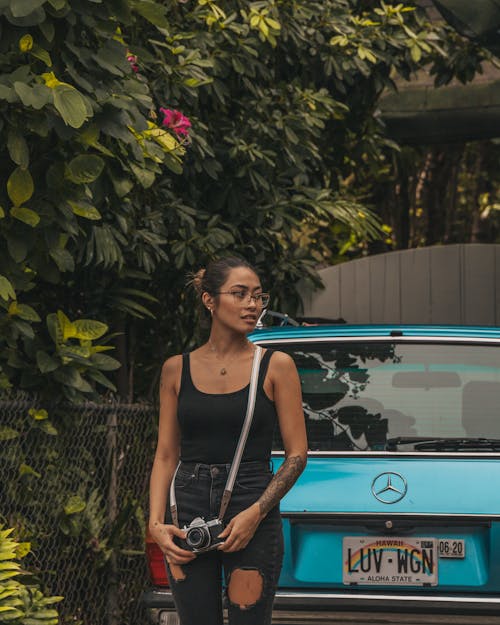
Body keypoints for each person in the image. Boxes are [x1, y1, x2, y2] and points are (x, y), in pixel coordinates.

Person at [148, 256, 307, 625]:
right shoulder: (176, 369)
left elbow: (297, 455)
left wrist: (255, 513)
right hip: (185, 505)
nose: (252, 304)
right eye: (239, 294)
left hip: (252, 499)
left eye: (257, 296)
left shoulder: (276, 366)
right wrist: (155, 523)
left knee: (249, 617)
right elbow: (166, 455)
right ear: (209, 300)